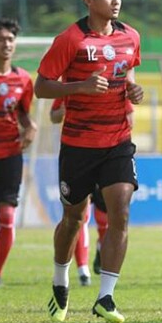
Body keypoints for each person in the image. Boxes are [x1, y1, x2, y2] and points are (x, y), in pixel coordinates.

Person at [36, 0, 144, 323]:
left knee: (121, 213)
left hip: (118, 141)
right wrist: (78, 88)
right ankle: (60, 280)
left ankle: (106, 297)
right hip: (79, 144)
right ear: (88, 0)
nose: (116, 0)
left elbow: (129, 69)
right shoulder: (70, 40)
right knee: (73, 218)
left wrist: (133, 87)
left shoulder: (131, 36)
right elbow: (42, 86)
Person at [50, 99, 112, 287]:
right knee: (79, 216)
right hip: (79, 154)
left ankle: (102, 250)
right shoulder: (71, 82)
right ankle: (82, 269)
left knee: (104, 218)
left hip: (107, 152)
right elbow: (54, 115)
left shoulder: (115, 78)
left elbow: (129, 113)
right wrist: (61, 112)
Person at [0, 18, 36, 287]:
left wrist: (30, 128)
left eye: (10, 39)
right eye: (1, 39)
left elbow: (24, 115)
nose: (7, 44)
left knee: (8, 217)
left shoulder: (22, 79)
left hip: (10, 155)